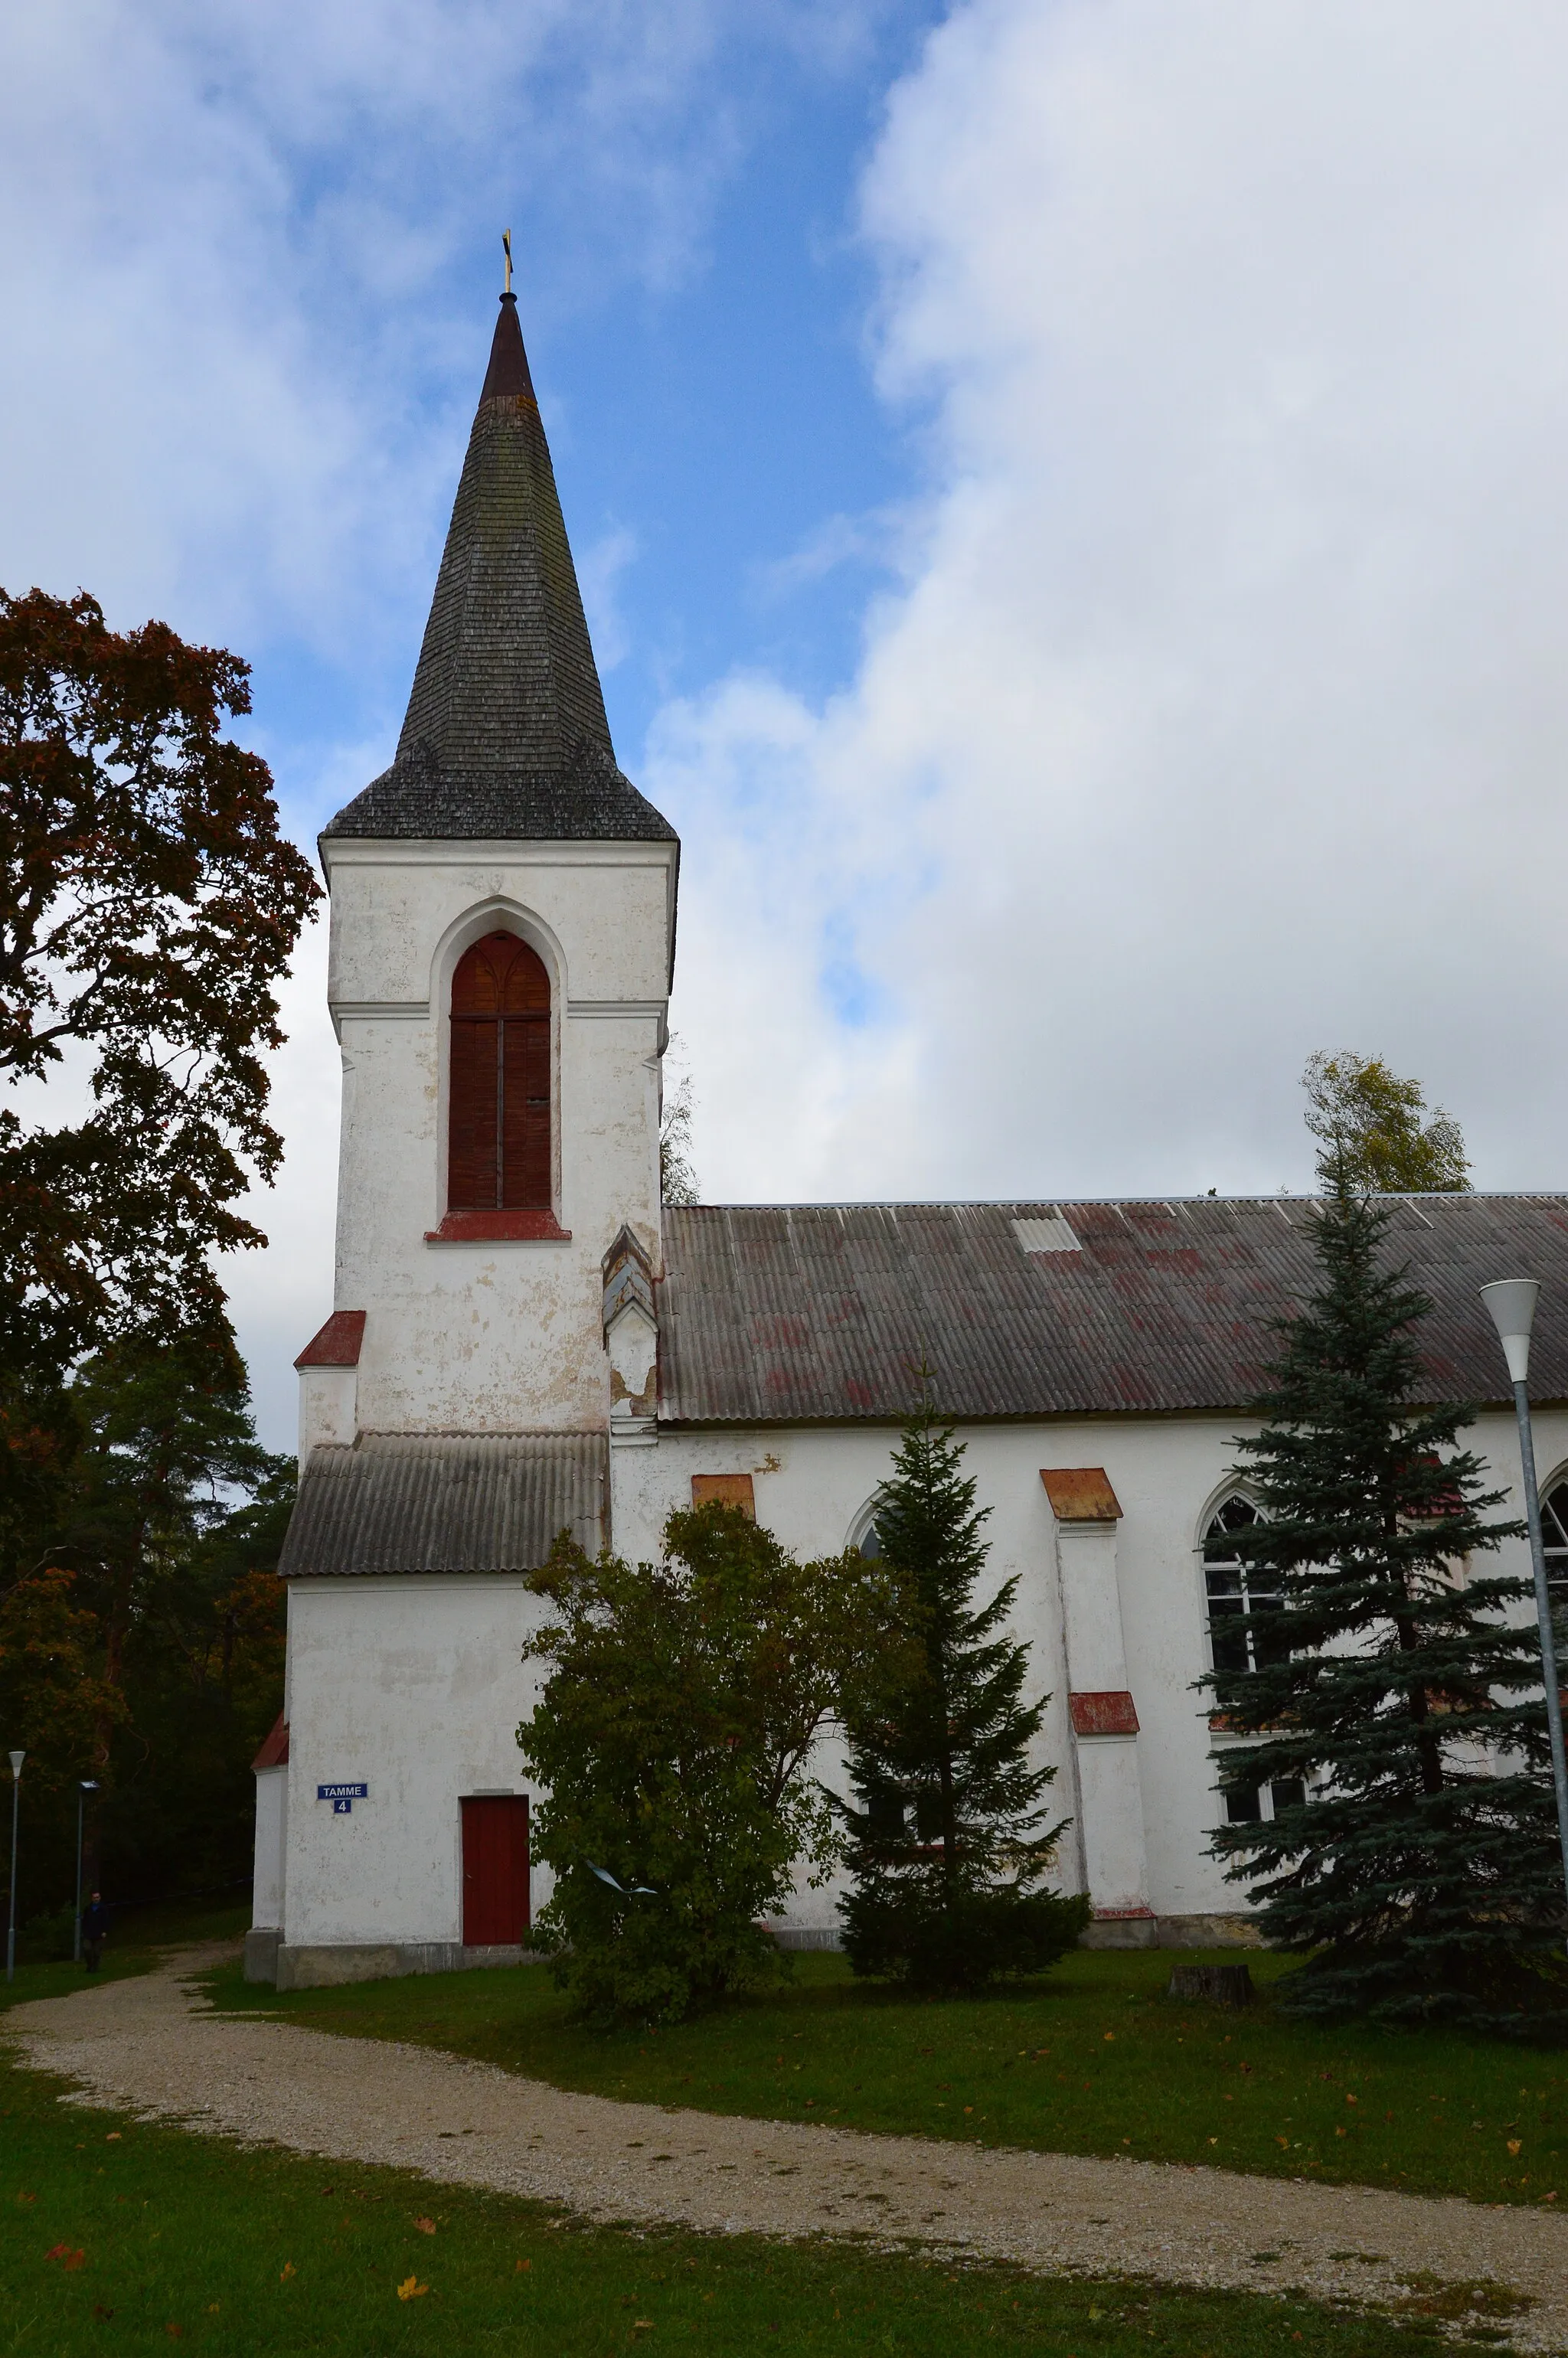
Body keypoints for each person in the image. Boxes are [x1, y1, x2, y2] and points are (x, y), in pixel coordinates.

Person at [80, 1892, 109, 1973]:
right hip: (88, 1934)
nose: (96, 1899)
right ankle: (90, 1965)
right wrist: (84, 1931)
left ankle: (95, 1967)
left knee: (97, 1952)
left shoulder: (103, 1909)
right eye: (95, 1897)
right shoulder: (88, 1909)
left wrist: (105, 1931)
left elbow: (106, 1920)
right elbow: (85, 1921)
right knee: (87, 1949)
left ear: (100, 1898)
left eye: (98, 1897)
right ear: (92, 1899)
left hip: (99, 1934)